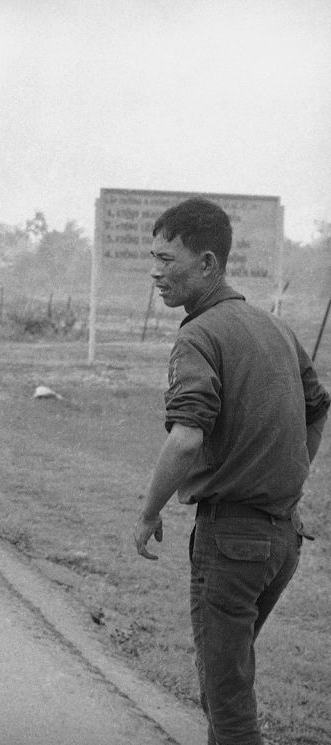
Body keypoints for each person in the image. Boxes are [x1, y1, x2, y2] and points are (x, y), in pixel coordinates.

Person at [132, 197, 328, 745]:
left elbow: (187, 436)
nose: (155, 271)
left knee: (228, 701)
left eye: (168, 260)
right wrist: (289, 472)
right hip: (282, 540)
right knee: (227, 685)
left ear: (209, 264)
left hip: (234, 543)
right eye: (153, 257)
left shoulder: (199, 335)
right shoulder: (275, 328)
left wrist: (149, 512)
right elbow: (318, 406)